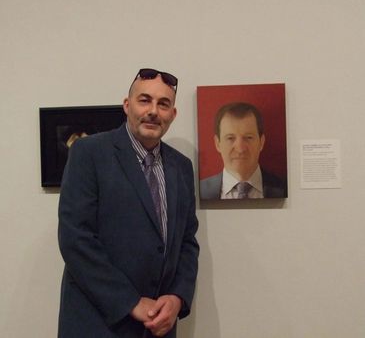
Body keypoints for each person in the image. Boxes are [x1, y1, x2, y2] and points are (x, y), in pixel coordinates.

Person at [58, 68, 199, 338]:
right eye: (144, 100)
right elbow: (75, 239)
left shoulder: (181, 166)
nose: (153, 111)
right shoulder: (89, 153)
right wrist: (130, 302)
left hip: (159, 327)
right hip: (98, 324)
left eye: (163, 104)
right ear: (127, 105)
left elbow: (187, 242)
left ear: (173, 114)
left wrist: (178, 297)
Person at [200, 102, 287, 199]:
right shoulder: (199, 191)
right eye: (230, 138)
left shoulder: (284, 188)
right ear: (217, 144)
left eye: (248, 137)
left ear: (261, 142)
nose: (240, 149)